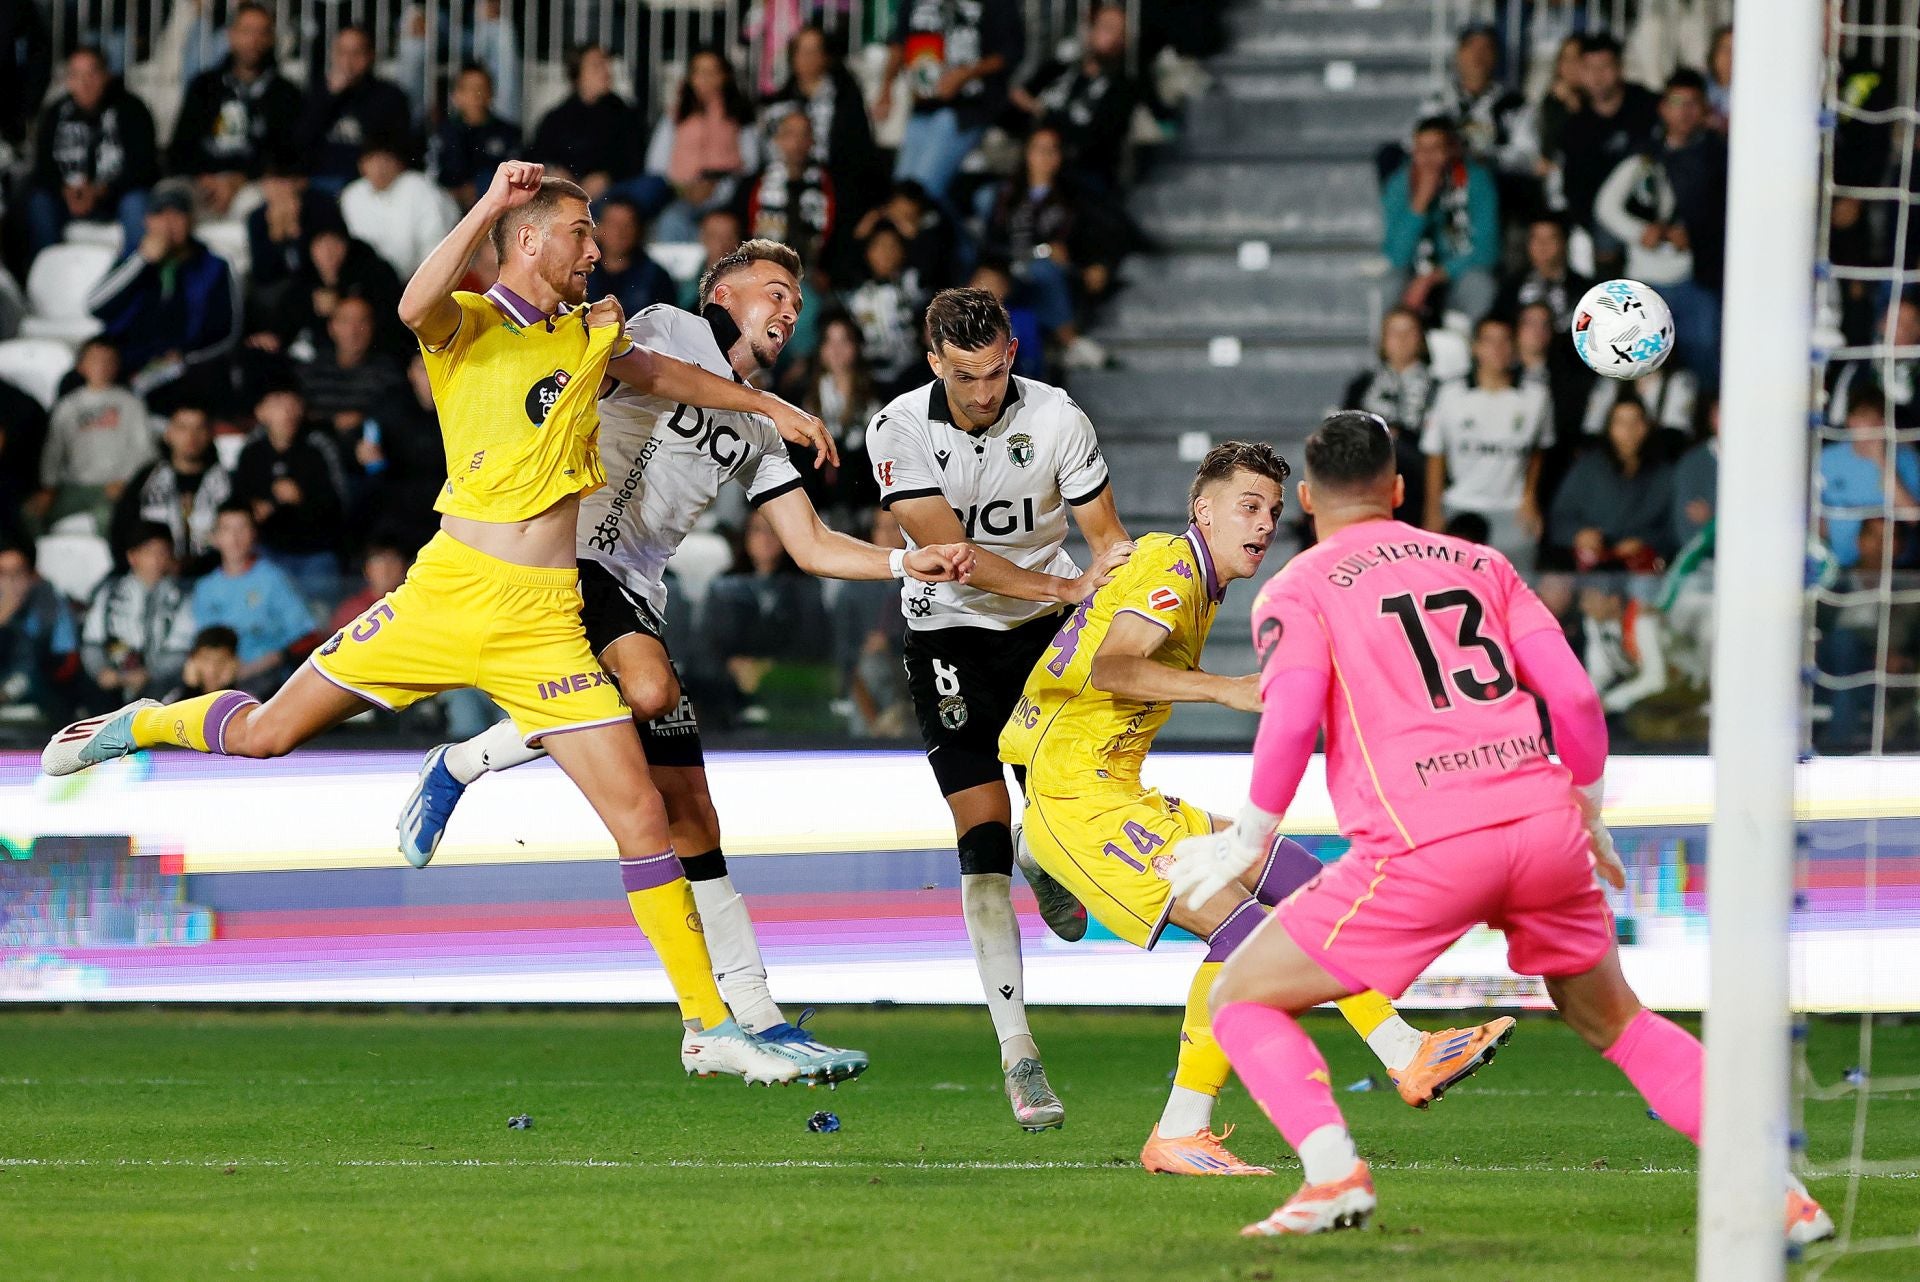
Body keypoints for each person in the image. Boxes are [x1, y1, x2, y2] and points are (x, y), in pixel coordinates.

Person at [45, 164, 846, 1087]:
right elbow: (412, 303)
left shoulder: (591, 329)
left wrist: (769, 404)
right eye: (581, 232)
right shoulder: (467, 322)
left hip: (545, 619)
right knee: (266, 733)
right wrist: (491, 204)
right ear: (530, 239)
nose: (597, 248)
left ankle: (707, 1026)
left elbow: (666, 373)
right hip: (447, 592)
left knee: (641, 819)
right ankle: (140, 722)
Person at [1166, 410, 1835, 1244]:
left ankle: (1334, 1175)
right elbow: (1578, 699)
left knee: (1240, 998)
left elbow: (1293, 716)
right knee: (1619, 1020)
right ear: (1398, 489)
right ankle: (1784, 1198)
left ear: (1305, 498)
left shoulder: (1298, 588)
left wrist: (1247, 840)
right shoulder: (1480, 563)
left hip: (1425, 844)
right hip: (1544, 825)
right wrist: (1589, 815)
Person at [394, 238, 972, 1081]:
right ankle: (464, 762)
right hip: (564, 558)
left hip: (635, 593)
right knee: (648, 686)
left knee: (693, 818)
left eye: (796, 301)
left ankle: (755, 1015)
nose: (788, 309)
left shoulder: (760, 428)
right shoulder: (668, 327)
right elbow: (630, 368)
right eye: (772, 291)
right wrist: (767, 404)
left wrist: (901, 562)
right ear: (722, 293)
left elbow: (810, 545)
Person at [1000, 441, 1513, 1174]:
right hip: (1080, 801)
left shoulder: (1187, 574)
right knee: (1246, 934)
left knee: (1307, 885)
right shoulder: (1174, 570)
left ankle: (1406, 1051)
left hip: (1114, 789)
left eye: (1272, 510)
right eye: (1248, 506)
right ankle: (1182, 1128)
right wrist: (1227, 688)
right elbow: (1113, 668)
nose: (1266, 523)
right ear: (1202, 511)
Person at [869, 287, 1133, 1129]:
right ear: (933, 362)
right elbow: (952, 555)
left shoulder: (1058, 418)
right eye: (964, 377)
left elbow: (1108, 541)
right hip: (946, 639)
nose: (982, 393)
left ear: (1012, 353)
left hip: (1043, 641)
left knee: (1060, 813)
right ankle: (1020, 1054)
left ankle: (1042, 850)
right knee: (980, 840)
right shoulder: (897, 429)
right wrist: (1064, 586)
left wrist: (1116, 590)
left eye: (993, 373)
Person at [1593, 70, 1727, 388]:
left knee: (1705, 357)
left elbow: (1730, 216)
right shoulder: (1644, 155)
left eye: (1693, 104)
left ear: (1705, 109)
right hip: (1644, 279)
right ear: (1663, 108)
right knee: (1632, 366)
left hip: (1696, 280)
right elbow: (1606, 206)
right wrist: (1640, 232)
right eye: (1677, 103)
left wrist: (1695, 238)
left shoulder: (1719, 157)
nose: (1684, 112)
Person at [86, 179, 242, 415]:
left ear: (191, 221)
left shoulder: (214, 266)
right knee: (77, 381)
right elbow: (96, 306)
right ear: (148, 221)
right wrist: (142, 261)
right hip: (130, 362)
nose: (168, 224)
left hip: (185, 364)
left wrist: (185, 358)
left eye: (177, 215)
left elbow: (227, 331)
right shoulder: (132, 260)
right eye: (160, 215)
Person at [1422, 316, 1553, 571]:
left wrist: (1530, 498)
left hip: (1511, 509)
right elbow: (1435, 453)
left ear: (1514, 347)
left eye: (1504, 341)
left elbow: (1539, 449)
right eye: (1489, 341)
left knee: (1518, 585)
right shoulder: (1450, 393)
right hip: (1460, 506)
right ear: (1476, 348)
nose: (1497, 349)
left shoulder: (1537, 396)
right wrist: (1433, 511)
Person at [980, 126, 1111, 370]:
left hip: (1059, 273)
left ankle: (1067, 341)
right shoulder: (1005, 195)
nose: (1046, 157)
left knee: (1043, 271)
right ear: (1027, 154)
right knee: (987, 282)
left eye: (1052, 150)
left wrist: (1096, 263)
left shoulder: (1074, 195)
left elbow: (1093, 237)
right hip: (1009, 267)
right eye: (1039, 150)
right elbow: (992, 241)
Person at [877, 0, 1025, 201]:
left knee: (922, 191)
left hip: (967, 110)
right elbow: (899, 43)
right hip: (922, 107)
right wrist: (886, 89)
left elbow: (1010, 52)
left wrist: (966, 74)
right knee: (903, 189)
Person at [167, 1, 303, 217]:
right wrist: (206, 178)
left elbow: (285, 156)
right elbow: (180, 148)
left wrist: (238, 180)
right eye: (246, 31)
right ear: (231, 35)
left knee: (259, 204)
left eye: (261, 33)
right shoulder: (204, 86)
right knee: (168, 202)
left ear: (271, 39)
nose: (253, 41)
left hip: (252, 183)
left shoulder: (285, 93)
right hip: (201, 181)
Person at [26, 45, 158, 254]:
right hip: (67, 199)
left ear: (106, 76)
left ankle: (135, 271)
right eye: (76, 75)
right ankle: (45, 269)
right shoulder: (55, 113)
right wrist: (65, 191)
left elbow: (144, 167)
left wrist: (99, 191)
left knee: (136, 202)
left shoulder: (133, 109)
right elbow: (43, 168)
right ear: (68, 81)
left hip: (115, 199)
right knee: (38, 202)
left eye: (92, 74)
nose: (84, 83)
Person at [177, 502, 319, 694]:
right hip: (214, 681)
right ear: (215, 537)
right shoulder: (205, 587)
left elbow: (307, 636)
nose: (234, 538)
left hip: (265, 680)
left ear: (254, 533)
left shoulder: (273, 579)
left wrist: (259, 665)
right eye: (227, 529)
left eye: (242, 528)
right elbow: (194, 643)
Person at [1008, 1, 1139, 193]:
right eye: (1105, 26)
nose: (1110, 35)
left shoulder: (1123, 88)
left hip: (1082, 177)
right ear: (1091, 30)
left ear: (1124, 41)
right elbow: (1015, 106)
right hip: (1032, 168)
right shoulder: (1058, 70)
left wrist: (1041, 111)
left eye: (1118, 30)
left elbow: (1098, 140)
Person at [27, 339, 154, 535]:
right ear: (81, 366)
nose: (101, 366)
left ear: (117, 366)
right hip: (73, 487)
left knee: (108, 519)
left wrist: (126, 482)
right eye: (95, 360)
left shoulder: (131, 404)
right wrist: (48, 487)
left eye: (108, 360)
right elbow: (53, 450)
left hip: (115, 486)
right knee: (29, 514)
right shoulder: (67, 406)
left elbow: (145, 450)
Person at [231, 384, 346, 598]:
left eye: (292, 403)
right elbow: (237, 504)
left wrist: (301, 498)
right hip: (268, 550)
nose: (287, 412)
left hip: (315, 551)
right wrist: (254, 511)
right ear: (261, 412)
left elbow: (340, 505)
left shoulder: (319, 446)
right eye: (278, 404)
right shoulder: (251, 452)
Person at [1382, 117, 1500, 324]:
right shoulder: (1400, 185)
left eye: (1436, 148)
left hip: (1458, 274)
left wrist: (1431, 278)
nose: (1427, 158)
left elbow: (1486, 252)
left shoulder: (1476, 180)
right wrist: (1420, 203)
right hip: (1413, 275)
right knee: (1389, 284)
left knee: (1481, 285)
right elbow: (1396, 256)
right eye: (1421, 150)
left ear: (1452, 150)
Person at [642, 47, 763, 244]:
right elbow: (656, 164)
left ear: (725, 77)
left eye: (712, 72)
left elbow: (751, 163)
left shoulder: (740, 115)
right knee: (671, 222)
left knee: (722, 227)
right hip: (681, 195)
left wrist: (717, 184)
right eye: (699, 72)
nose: (705, 78)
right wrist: (684, 189)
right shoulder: (676, 115)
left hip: (728, 194)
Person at [1559, 34, 1660, 267]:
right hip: (1602, 225)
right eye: (1589, 68)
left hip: (1651, 212)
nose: (1597, 76)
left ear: (1620, 68)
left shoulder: (1648, 106)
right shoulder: (1575, 127)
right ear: (1581, 72)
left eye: (1604, 67)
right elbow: (1574, 188)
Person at [762, 25, 882, 216]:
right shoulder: (779, 102)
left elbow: (858, 151)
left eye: (814, 51)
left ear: (826, 56)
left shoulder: (845, 98)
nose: (807, 58)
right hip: (781, 186)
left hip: (835, 189)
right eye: (802, 51)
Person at [1547, 397, 1675, 572]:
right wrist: (1578, 534)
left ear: (1646, 427)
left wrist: (1644, 541)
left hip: (1643, 567)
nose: (1628, 430)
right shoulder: (1588, 467)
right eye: (1621, 423)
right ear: (1609, 427)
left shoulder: (1664, 473)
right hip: (1592, 566)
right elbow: (1559, 518)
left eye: (1635, 422)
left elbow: (1673, 528)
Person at [110, 402, 233, 568]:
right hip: (155, 573)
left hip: (216, 573)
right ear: (168, 434)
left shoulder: (226, 482)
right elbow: (121, 530)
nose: (191, 436)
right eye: (183, 428)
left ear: (210, 434)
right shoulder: (146, 480)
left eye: (199, 428)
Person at [295, 24, 415, 193]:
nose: (348, 61)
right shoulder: (318, 92)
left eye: (356, 53)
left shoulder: (389, 96)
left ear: (370, 55)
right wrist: (330, 97)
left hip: (366, 184)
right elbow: (301, 141)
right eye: (342, 53)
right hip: (316, 181)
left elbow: (395, 147)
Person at [81, 521, 186, 703]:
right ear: (132, 556)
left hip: (162, 685)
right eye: (149, 552)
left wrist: (148, 674)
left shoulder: (181, 597)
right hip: (112, 682)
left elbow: (180, 650)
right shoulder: (109, 594)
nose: (156, 560)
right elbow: (92, 643)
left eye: (162, 552)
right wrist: (102, 671)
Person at [527, 44, 643, 201]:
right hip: (564, 195)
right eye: (597, 66)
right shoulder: (556, 117)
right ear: (577, 75)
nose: (606, 71)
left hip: (610, 195)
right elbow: (535, 156)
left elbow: (634, 161)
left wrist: (608, 178)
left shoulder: (626, 114)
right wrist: (553, 172)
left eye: (607, 64)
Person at [1820, 388, 1920, 572]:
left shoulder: (1907, 459)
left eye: (1876, 420)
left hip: (1897, 568)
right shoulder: (1827, 460)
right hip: (1838, 566)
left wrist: (1882, 462)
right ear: (1850, 421)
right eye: (1863, 418)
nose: (1869, 427)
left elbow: (1913, 518)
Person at [340, 142, 461, 280]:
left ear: (398, 163)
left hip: (424, 277)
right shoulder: (351, 195)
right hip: (373, 281)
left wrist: (422, 279)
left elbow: (436, 239)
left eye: (385, 160)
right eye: (372, 161)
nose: (379, 168)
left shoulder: (418, 186)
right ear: (361, 165)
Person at [746, 110, 837, 276]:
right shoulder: (756, 182)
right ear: (777, 139)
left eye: (804, 134)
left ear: (812, 141)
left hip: (814, 272)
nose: (797, 142)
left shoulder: (830, 183)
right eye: (790, 134)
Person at [845, 224, 929, 398]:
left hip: (914, 375)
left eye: (892, 246)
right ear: (868, 253)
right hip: (869, 378)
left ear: (902, 252)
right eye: (879, 246)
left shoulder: (914, 284)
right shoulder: (856, 296)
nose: (886, 253)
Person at [0, 542, 79, 724]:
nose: (10, 581)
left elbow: (66, 659)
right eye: (3, 573)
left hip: (40, 686)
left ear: (32, 576)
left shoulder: (51, 606)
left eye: (17, 573)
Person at [427, 63, 520, 210]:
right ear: (456, 95)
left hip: (495, 206)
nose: (476, 95)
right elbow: (432, 174)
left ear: (491, 93)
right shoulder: (442, 132)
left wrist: (479, 188)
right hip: (447, 205)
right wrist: (454, 193)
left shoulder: (508, 133)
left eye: (481, 88)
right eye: (469, 89)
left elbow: (514, 177)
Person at [1493, 215, 1593, 334]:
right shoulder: (1510, 288)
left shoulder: (1584, 290)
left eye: (1550, 238)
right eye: (1535, 238)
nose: (1542, 245)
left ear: (1563, 243)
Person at [586, 197, 675, 318]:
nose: (620, 232)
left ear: (638, 230)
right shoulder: (581, 271)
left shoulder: (656, 277)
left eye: (627, 225)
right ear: (599, 228)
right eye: (613, 224)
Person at [165, 624, 241, 702]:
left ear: (235, 662)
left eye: (221, 661)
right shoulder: (172, 695)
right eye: (206, 659)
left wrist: (228, 689)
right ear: (192, 660)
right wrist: (190, 689)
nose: (212, 669)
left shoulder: (245, 701)